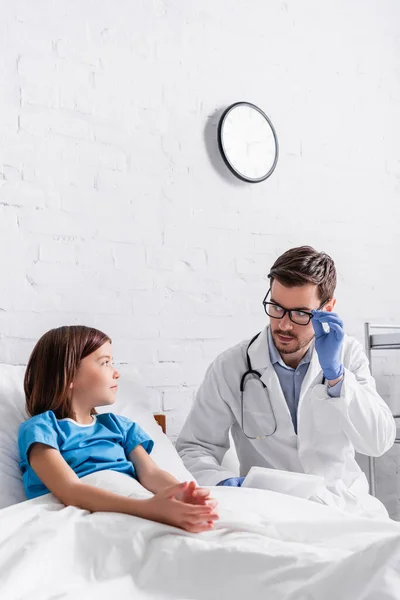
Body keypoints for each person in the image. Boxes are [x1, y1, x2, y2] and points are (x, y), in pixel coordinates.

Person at [176, 246, 396, 517]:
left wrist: (337, 376)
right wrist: (223, 481)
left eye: (301, 313)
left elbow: (378, 442)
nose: (284, 325)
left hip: (345, 506)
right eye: (277, 308)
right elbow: (194, 447)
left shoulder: (347, 355)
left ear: (327, 309)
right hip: (270, 509)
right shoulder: (231, 366)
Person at [18, 326, 218, 533]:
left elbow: (150, 473)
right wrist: (148, 508)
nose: (116, 372)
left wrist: (181, 494)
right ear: (69, 376)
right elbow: (70, 490)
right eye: (105, 362)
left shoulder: (119, 426)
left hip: (134, 499)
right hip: (85, 512)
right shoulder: (41, 429)